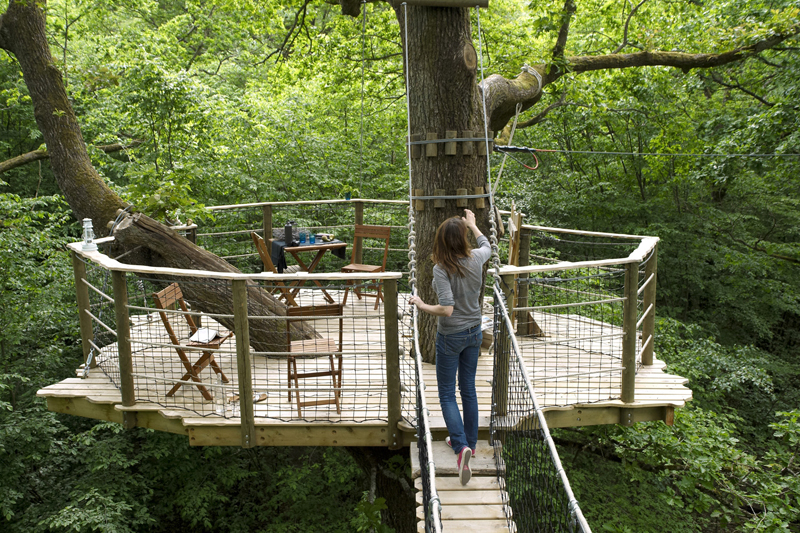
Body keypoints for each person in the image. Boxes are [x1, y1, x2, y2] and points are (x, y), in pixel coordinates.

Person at [409, 208, 491, 485]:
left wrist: (421, 305)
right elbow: (487, 245)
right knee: (467, 388)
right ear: (463, 238)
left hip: (451, 336)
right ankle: (470, 442)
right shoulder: (477, 258)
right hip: (474, 333)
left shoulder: (441, 268)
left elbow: (446, 309)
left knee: (446, 393)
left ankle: (460, 446)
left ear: (442, 241)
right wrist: (474, 225)